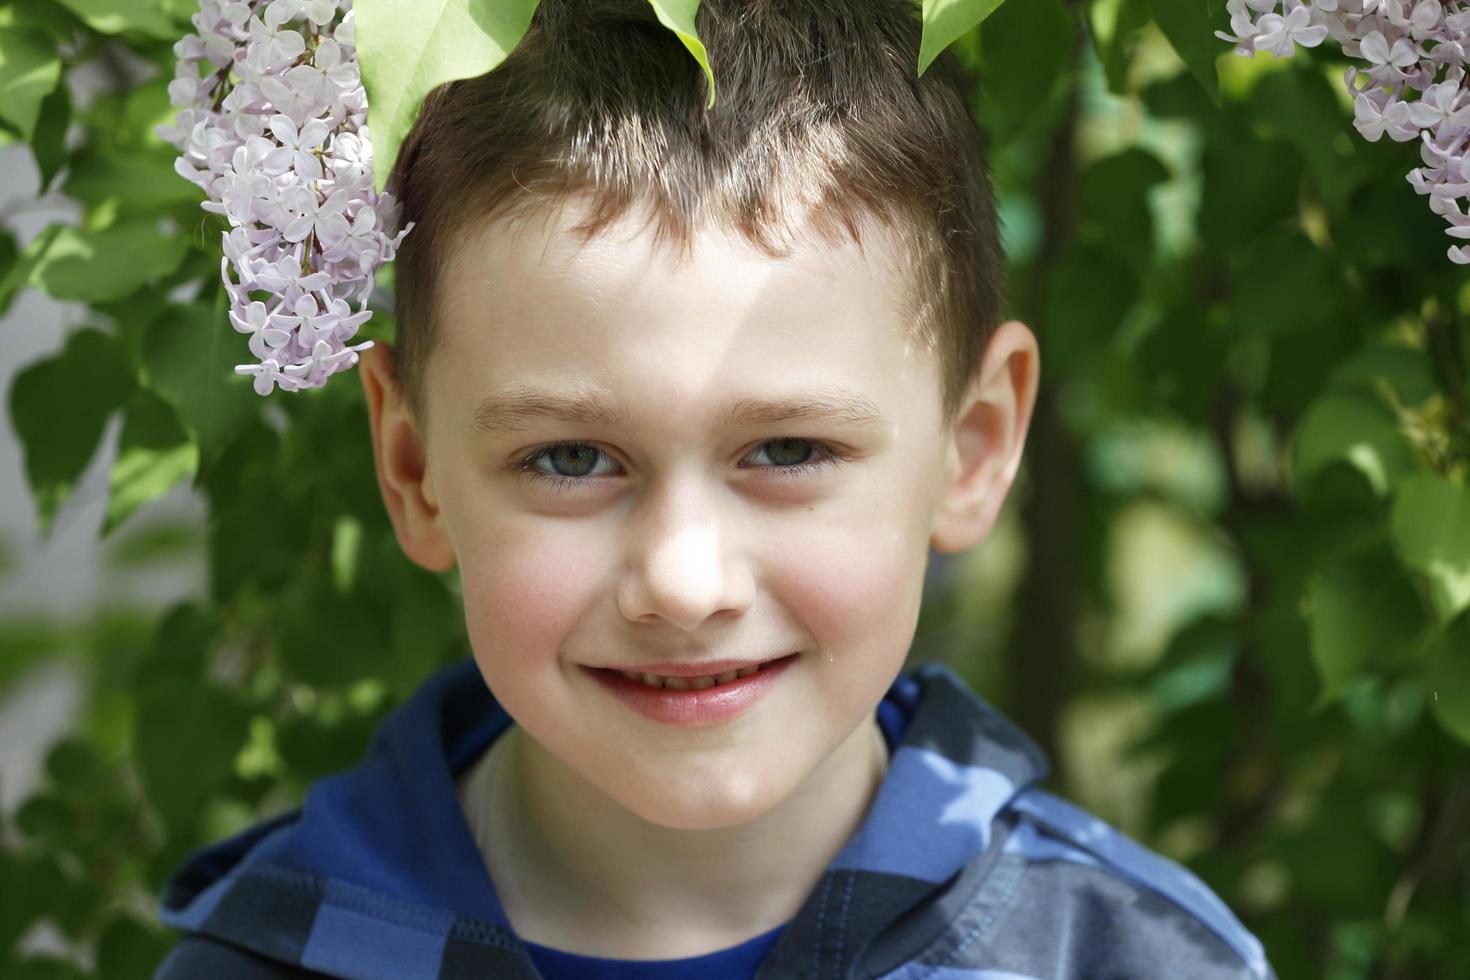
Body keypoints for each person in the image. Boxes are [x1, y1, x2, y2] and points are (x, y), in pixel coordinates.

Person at [154, 1, 1275, 977]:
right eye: (571, 458)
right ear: (414, 470)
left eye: (787, 451)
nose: (684, 583)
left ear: (973, 446)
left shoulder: (1141, 958)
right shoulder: (249, 964)